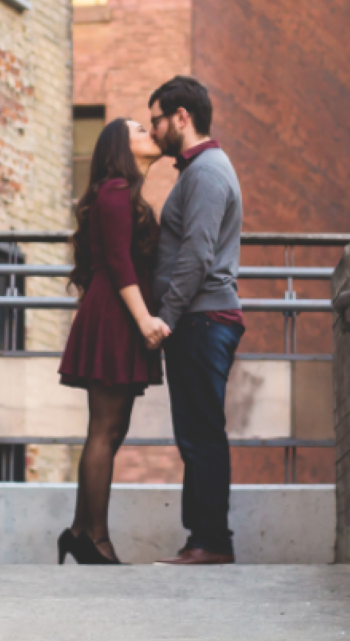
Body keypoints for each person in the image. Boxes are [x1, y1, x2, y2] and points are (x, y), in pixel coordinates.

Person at [54, 117, 171, 565]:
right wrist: (143, 320)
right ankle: (95, 540)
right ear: (120, 146)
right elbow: (121, 262)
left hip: (116, 311)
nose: (150, 133)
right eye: (140, 129)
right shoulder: (116, 191)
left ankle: (81, 530)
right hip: (118, 312)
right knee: (105, 429)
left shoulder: (119, 192)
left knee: (110, 428)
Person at [147, 75, 244, 566]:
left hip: (201, 320)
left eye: (157, 120)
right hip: (200, 319)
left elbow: (197, 254)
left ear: (182, 117)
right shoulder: (199, 171)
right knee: (196, 432)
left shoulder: (206, 172)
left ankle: (211, 541)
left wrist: (165, 317)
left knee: (202, 432)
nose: (154, 130)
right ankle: (202, 538)